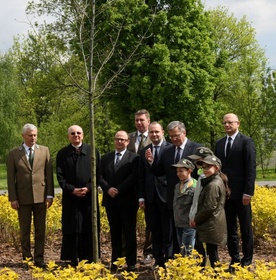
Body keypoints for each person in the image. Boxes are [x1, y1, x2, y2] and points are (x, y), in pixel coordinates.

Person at [146, 120, 201, 253]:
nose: (174, 139)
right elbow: (160, 171)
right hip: (174, 199)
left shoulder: (196, 149)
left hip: (192, 199)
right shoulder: (167, 151)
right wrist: (151, 162)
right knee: (175, 233)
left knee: (194, 234)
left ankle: (198, 263)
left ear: (184, 133)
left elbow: (203, 172)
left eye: (177, 135)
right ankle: (177, 262)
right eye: (171, 136)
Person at [7, 123, 54, 268]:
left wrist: (50, 195)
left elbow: (49, 175)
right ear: (23, 136)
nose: (33, 138)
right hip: (23, 198)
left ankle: (39, 258)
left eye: (35, 135)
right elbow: (10, 178)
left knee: (41, 230)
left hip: (41, 197)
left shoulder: (44, 151)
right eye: (30, 135)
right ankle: (27, 259)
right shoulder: (14, 153)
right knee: (25, 230)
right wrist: (13, 198)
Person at [215, 113, 256, 271]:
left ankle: (247, 261)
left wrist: (248, 192)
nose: (227, 125)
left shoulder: (246, 142)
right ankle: (235, 260)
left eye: (230, 122)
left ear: (238, 123)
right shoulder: (219, 144)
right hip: (226, 194)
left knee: (245, 228)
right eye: (225, 122)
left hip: (242, 194)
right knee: (230, 228)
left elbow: (250, 169)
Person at [56, 125, 100, 266]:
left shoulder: (93, 152)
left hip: (89, 198)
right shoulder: (63, 153)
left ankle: (89, 257)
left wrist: (88, 188)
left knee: (88, 225)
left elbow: (98, 174)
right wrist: (72, 189)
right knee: (72, 226)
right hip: (71, 197)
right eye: (73, 133)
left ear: (83, 135)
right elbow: (60, 175)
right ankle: (72, 257)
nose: (76, 135)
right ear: (68, 136)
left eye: (79, 133)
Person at [100, 130, 139, 271]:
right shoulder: (105, 158)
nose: (119, 142)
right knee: (115, 233)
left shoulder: (134, 158)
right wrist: (108, 188)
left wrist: (119, 189)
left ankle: (131, 262)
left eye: (122, 139)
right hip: (111, 201)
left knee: (129, 233)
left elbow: (133, 177)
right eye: (117, 139)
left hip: (128, 201)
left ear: (128, 141)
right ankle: (115, 262)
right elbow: (99, 176)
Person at [139, 122, 173, 269]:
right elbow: (141, 176)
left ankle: (169, 259)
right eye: (151, 132)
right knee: (154, 230)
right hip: (150, 196)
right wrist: (141, 197)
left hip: (166, 195)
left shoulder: (171, 149)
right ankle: (158, 260)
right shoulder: (144, 151)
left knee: (168, 230)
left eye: (157, 132)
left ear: (163, 132)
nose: (154, 135)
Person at [194, 155, 230, 268]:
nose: (205, 170)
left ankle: (216, 275)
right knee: (212, 252)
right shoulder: (214, 180)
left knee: (213, 255)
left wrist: (196, 219)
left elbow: (209, 207)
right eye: (203, 167)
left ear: (216, 168)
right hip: (212, 222)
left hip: (211, 223)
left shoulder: (213, 185)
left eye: (208, 167)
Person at [128, 109, 153, 264]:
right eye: (136, 120)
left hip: (148, 186)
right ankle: (126, 253)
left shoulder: (155, 137)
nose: (139, 123)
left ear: (148, 121)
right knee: (127, 221)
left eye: (142, 120)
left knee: (150, 222)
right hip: (129, 187)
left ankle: (148, 252)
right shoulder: (128, 138)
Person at [188, 147, 214, 266]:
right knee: (199, 245)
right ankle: (202, 265)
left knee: (210, 248)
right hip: (198, 215)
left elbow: (209, 204)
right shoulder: (201, 176)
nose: (196, 164)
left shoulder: (211, 178)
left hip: (205, 218)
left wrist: (197, 217)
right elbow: (196, 198)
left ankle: (211, 269)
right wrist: (192, 214)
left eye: (199, 161)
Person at [172, 158, 197, 256]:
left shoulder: (195, 186)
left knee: (187, 250)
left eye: (181, 171)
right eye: (177, 171)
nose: (178, 174)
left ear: (189, 171)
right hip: (178, 223)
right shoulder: (177, 186)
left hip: (189, 224)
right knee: (182, 249)